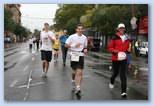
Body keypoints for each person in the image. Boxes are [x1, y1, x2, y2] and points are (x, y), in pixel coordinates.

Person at [108, 23, 130, 98]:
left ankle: (123, 92)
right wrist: (114, 51)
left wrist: (128, 50)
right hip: (115, 58)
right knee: (115, 73)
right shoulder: (114, 37)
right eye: (120, 28)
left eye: (123, 28)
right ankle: (112, 80)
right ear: (118, 29)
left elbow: (128, 49)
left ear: (124, 29)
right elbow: (110, 47)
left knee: (123, 75)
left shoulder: (127, 38)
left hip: (124, 58)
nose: (122, 29)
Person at [65, 24, 88, 95]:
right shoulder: (72, 37)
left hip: (81, 55)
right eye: (79, 29)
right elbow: (66, 45)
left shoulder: (84, 37)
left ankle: (78, 88)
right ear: (76, 30)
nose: (80, 30)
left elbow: (85, 46)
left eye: (81, 29)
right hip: (74, 55)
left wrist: (85, 49)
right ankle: (73, 79)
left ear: (83, 30)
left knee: (80, 72)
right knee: (74, 72)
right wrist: (74, 45)